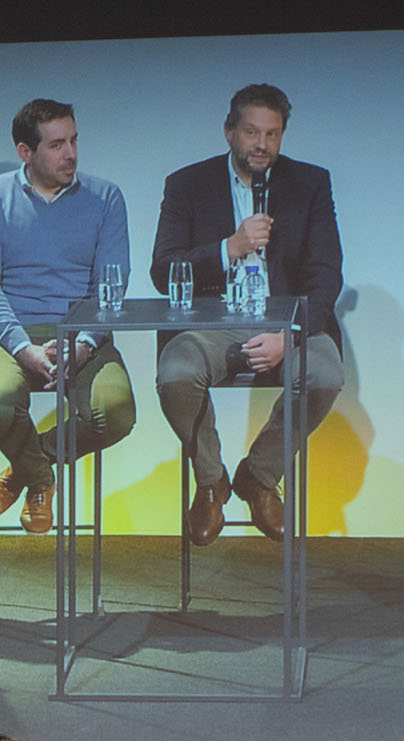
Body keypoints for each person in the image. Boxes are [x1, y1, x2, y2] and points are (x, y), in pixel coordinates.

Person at [151, 83, 345, 545]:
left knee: (324, 375)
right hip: (211, 324)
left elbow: (326, 275)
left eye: (273, 134)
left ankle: (258, 477)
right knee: (177, 373)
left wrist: (289, 334)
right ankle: (212, 481)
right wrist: (228, 248)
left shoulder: (310, 183)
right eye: (252, 132)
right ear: (229, 131)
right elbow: (163, 270)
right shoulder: (187, 184)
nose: (262, 145)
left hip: (287, 323)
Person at [0, 98, 135, 534]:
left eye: (74, 141)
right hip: (9, 332)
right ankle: (41, 482)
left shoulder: (105, 198)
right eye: (57, 144)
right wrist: (22, 349)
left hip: (82, 332)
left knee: (115, 413)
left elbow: (111, 286)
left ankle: (22, 469)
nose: (72, 154)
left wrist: (82, 344)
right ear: (26, 151)